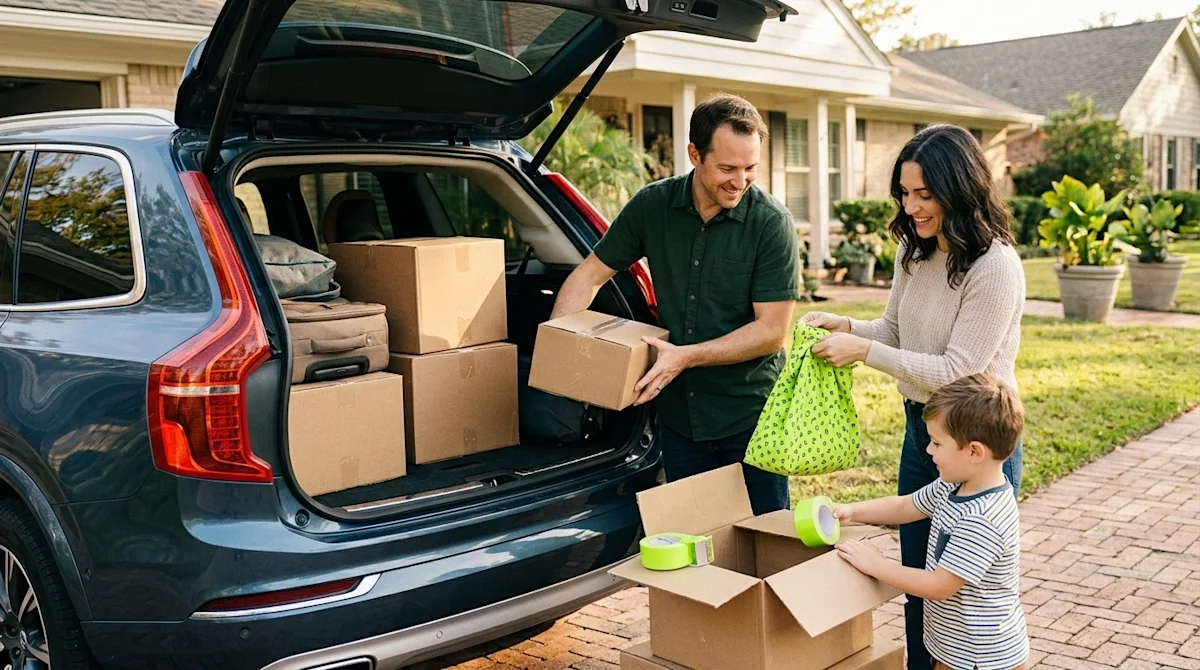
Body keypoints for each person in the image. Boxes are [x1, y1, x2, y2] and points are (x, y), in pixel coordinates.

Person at [803, 124, 1026, 670]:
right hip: (924, 431)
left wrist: (863, 352)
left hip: (974, 439)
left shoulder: (995, 267)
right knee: (918, 580)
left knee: (960, 586)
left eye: (925, 195)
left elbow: (958, 371)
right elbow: (897, 331)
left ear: (961, 189)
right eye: (905, 193)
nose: (912, 206)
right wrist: (850, 325)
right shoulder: (913, 250)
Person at [549, 93, 800, 515]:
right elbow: (589, 276)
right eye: (727, 168)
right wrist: (561, 345)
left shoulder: (771, 224)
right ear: (694, 154)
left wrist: (685, 357)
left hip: (751, 418)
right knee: (693, 552)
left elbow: (772, 333)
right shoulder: (653, 205)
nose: (740, 181)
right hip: (679, 420)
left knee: (765, 550)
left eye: (750, 168)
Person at [834, 373, 1029, 670]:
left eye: (937, 443)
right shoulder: (954, 484)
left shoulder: (983, 517)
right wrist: (852, 511)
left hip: (980, 659)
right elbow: (905, 506)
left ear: (974, 451)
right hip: (954, 649)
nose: (928, 450)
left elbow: (940, 585)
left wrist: (876, 565)